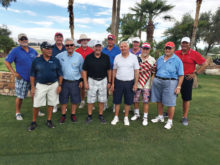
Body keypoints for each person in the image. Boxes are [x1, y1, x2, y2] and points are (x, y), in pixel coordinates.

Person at [4, 33, 44, 120]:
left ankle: (37, 110)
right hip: (21, 78)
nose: (24, 40)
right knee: (20, 96)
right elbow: (6, 62)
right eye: (22, 39)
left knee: (35, 95)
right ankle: (18, 113)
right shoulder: (15, 51)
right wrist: (14, 73)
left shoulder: (33, 50)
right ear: (19, 41)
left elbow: (37, 60)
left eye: (25, 38)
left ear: (27, 39)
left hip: (33, 78)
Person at [28, 42, 63, 131]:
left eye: (51, 48)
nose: (50, 50)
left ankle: (49, 120)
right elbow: (32, 75)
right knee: (36, 104)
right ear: (42, 50)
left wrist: (59, 85)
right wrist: (32, 87)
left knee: (51, 103)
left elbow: (60, 74)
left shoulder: (55, 60)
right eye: (48, 49)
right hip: (40, 85)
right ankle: (34, 122)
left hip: (54, 85)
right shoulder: (36, 60)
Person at [175, 37, 208, 126]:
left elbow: (205, 64)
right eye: (183, 43)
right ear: (181, 44)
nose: (184, 45)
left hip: (187, 78)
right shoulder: (176, 53)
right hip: (175, 77)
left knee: (186, 98)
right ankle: (169, 112)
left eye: (186, 43)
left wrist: (195, 73)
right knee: (172, 95)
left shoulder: (194, 54)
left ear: (189, 44)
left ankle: (184, 117)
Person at [151, 42, 184, 130]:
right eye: (166, 48)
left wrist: (178, 87)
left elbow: (181, 75)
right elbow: (156, 69)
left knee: (170, 103)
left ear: (174, 49)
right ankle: (160, 116)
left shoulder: (177, 60)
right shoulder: (160, 58)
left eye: (170, 48)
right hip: (158, 81)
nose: (167, 50)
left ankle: (170, 121)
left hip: (170, 82)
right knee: (159, 100)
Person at [110, 41, 139, 126]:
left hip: (130, 82)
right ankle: (116, 117)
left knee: (128, 101)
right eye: (121, 47)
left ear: (128, 47)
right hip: (118, 82)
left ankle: (126, 117)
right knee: (117, 100)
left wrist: (135, 84)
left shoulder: (134, 57)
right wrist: (112, 83)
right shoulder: (117, 57)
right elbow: (114, 71)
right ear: (120, 48)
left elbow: (136, 71)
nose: (123, 48)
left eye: (125, 46)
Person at [82, 41, 111, 124]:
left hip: (103, 80)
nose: (98, 48)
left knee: (102, 99)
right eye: (96, 47)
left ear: (101, 48)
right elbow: (84, 71)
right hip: (92, 80)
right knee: (90, 99)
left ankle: (100, 115)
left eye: (99, 47)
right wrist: (85, 82)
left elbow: (109, 70)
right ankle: (89, 115)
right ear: (93, 47)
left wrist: (109, 81)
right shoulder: (88, 57)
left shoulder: (106, 57)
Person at [56, 38, 84, 124]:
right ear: (65, 46)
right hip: (63, 82)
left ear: (74, 46)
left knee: (74, 100)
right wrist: (40, 56)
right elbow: (51, 60)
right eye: (67, 45)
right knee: (63, 100)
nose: (69, 47)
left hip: (75, 82)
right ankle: (63, 115)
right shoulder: (60, 56)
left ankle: (73, 114)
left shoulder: (79, 57)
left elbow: (82, 70)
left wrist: (81, 80)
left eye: (71, 45)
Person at [131, 42, 156, 126]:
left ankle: (145, 117)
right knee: (136, 100)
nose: (145, 50)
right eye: (144, 48)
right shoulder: (135, 58)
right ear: (141, 49)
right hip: (136, 83)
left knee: (145, 101)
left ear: (149, 50)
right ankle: (136, 114)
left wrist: (152, 84)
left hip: (147, 84)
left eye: (147, 49)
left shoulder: (152, 60)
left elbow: (153, 73)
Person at [102, 34, 121, 111]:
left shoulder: (118, 50)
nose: (110, 41)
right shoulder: (103, 50)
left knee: (114, 89)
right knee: (105, 88)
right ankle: (105, 104)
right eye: (109, 39)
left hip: (115, 71)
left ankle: (114, 104)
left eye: (111, 40)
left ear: (114, 41)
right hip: (105, 71)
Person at [75, 34, 94, 109]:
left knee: (90, 87)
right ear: (80, 42)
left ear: (87, 41)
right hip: (80, 72)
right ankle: (82, 101)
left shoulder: (91, 50)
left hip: (90, 72)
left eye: (85, 40)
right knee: (82, 87)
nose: (84, 41)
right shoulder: (77, 51)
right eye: (82, 40)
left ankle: (90, 102)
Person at [52, 32, 66, 113]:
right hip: (54, 72)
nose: (59, 38)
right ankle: (55, 106)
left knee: (64, 91)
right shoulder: (51, 47)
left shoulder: (66, 47)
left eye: (60, 37)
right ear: (55, 38)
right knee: (55, 90)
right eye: (57, 37)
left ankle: (63, 105)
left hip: (65, 72)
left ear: (62, 38)